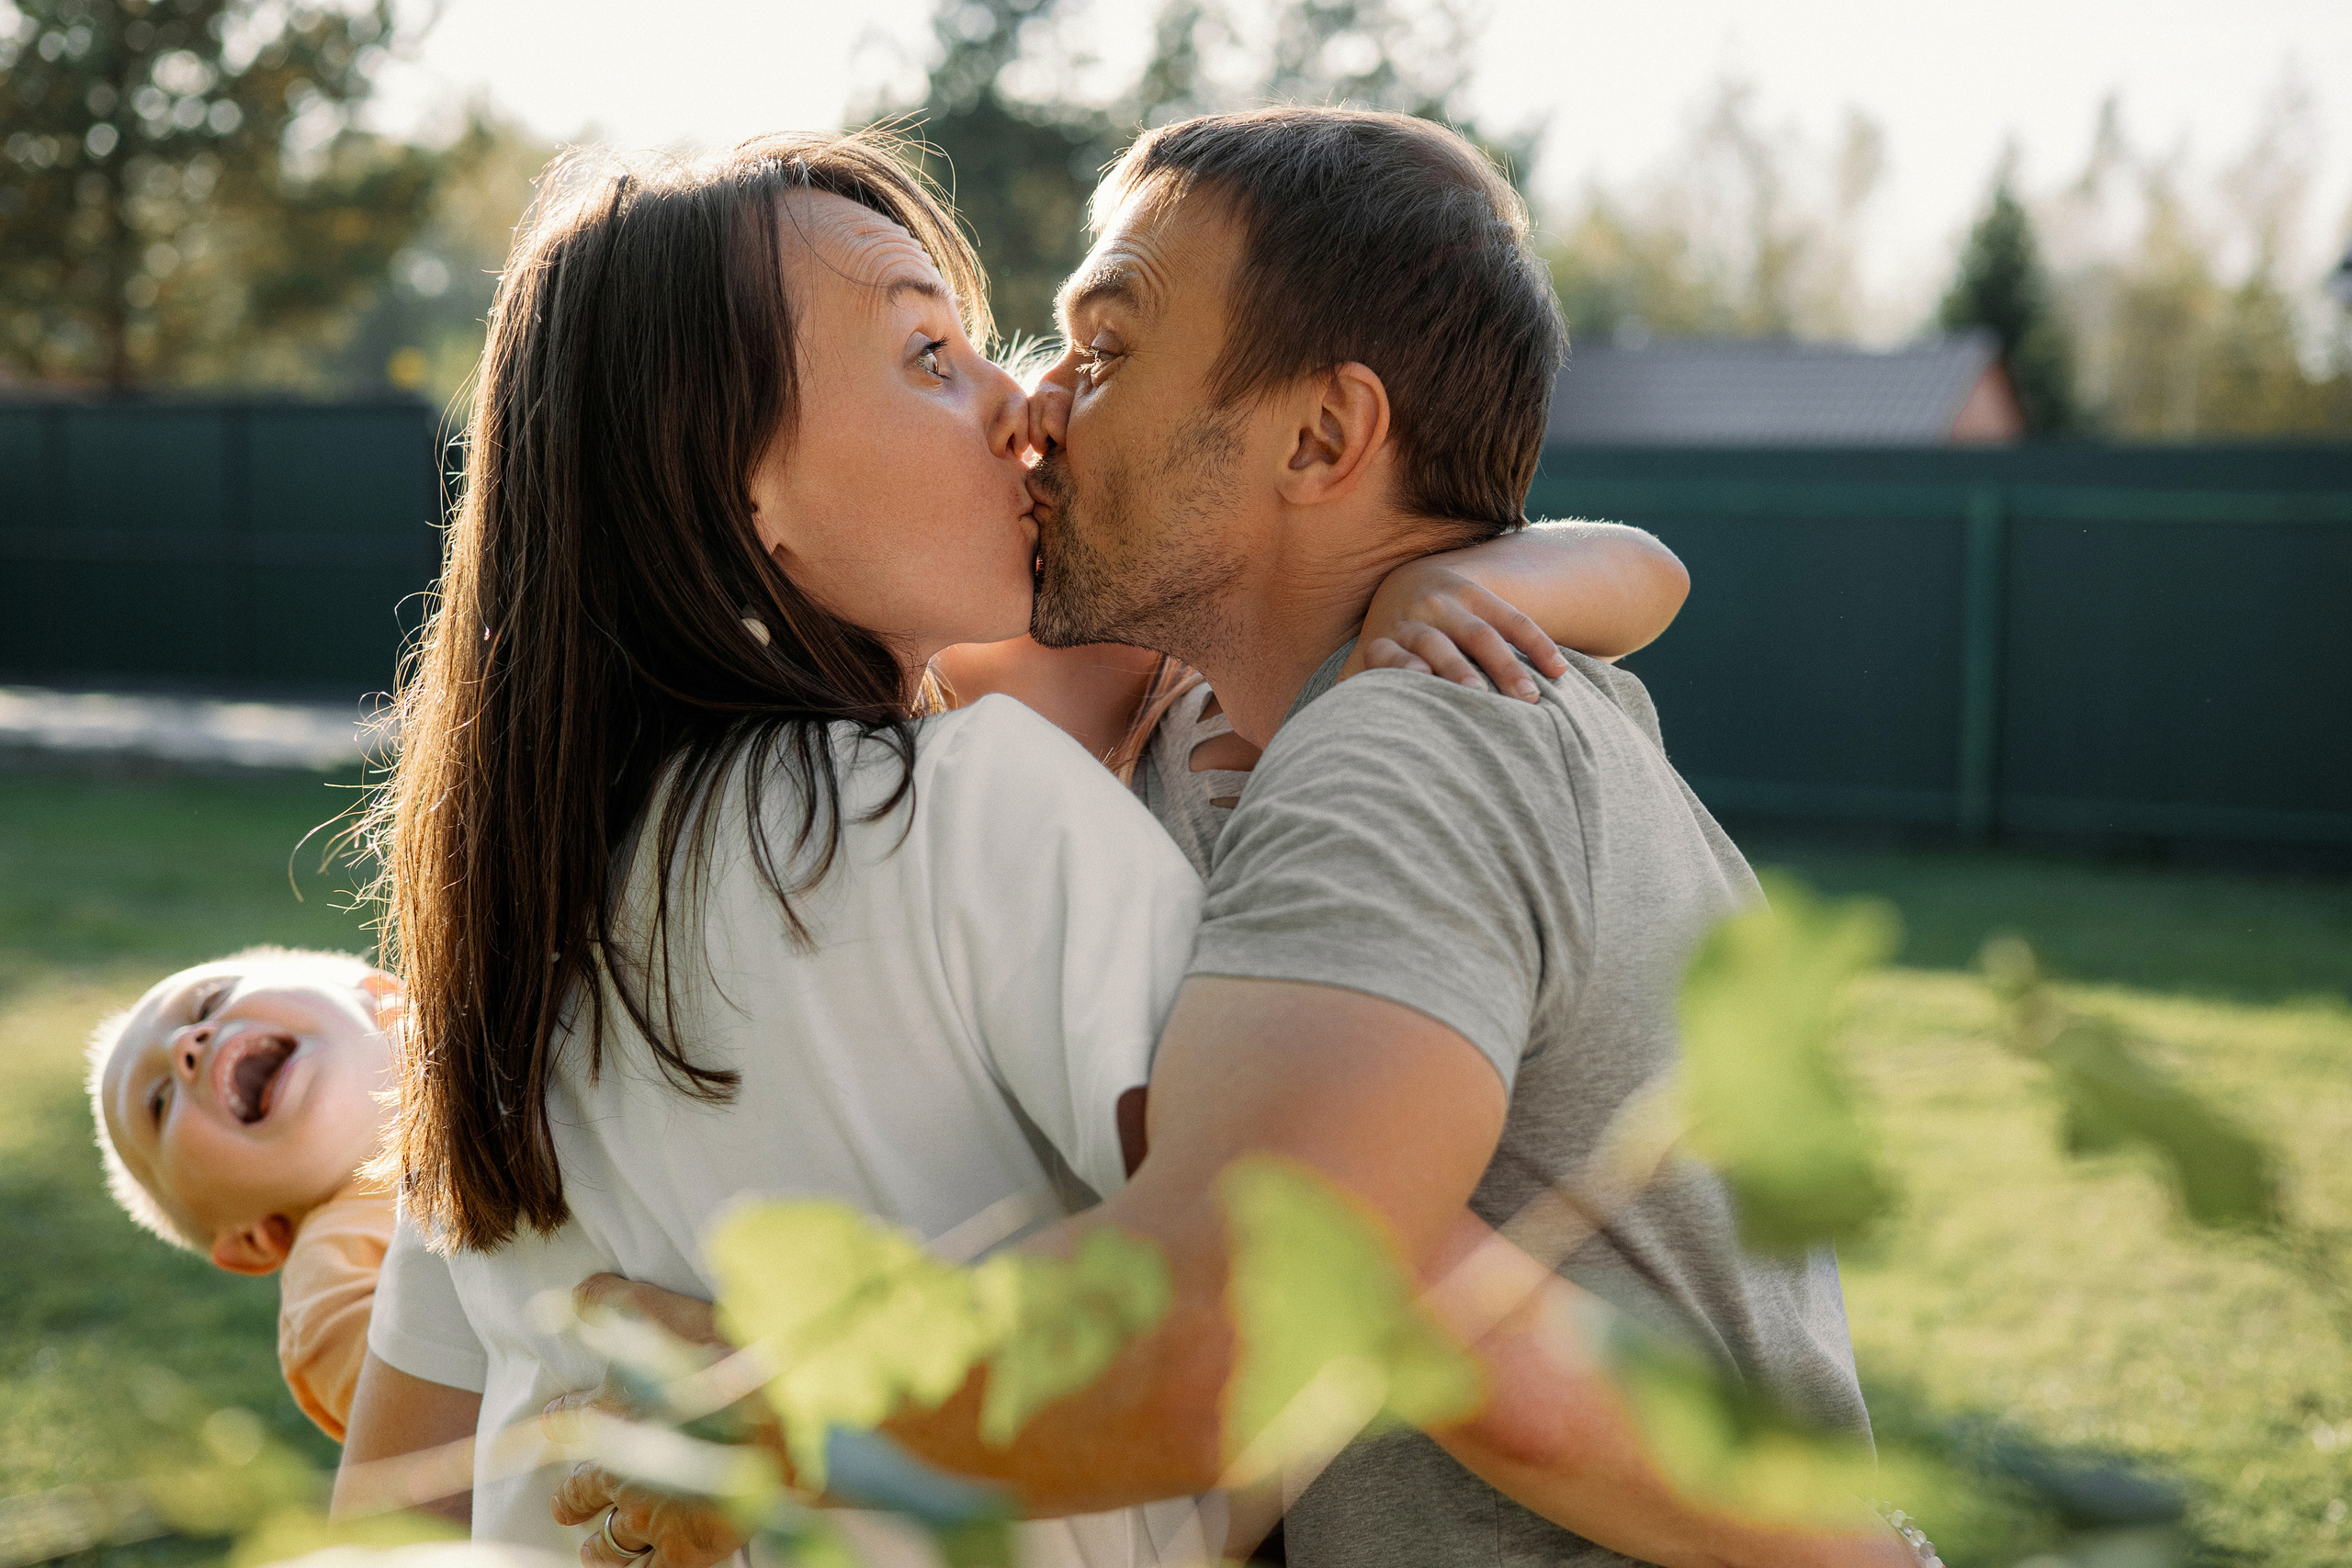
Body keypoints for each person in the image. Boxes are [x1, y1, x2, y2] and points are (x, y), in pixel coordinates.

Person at [548, 107, 1922, 1568]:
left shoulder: (1417, 740)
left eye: (1110, 345)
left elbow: (1241, 1315)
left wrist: (758, 1408)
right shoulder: (1227, 729)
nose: (1040, 402)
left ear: (1323, 435)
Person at [86, 947, 401, 1442]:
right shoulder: (333, 1279)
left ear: (388, 1001)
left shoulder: (536, 1039)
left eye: (210, 1002)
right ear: (262, 1235)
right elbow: (435, 1426)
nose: (185, 1044)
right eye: (159, 1102)